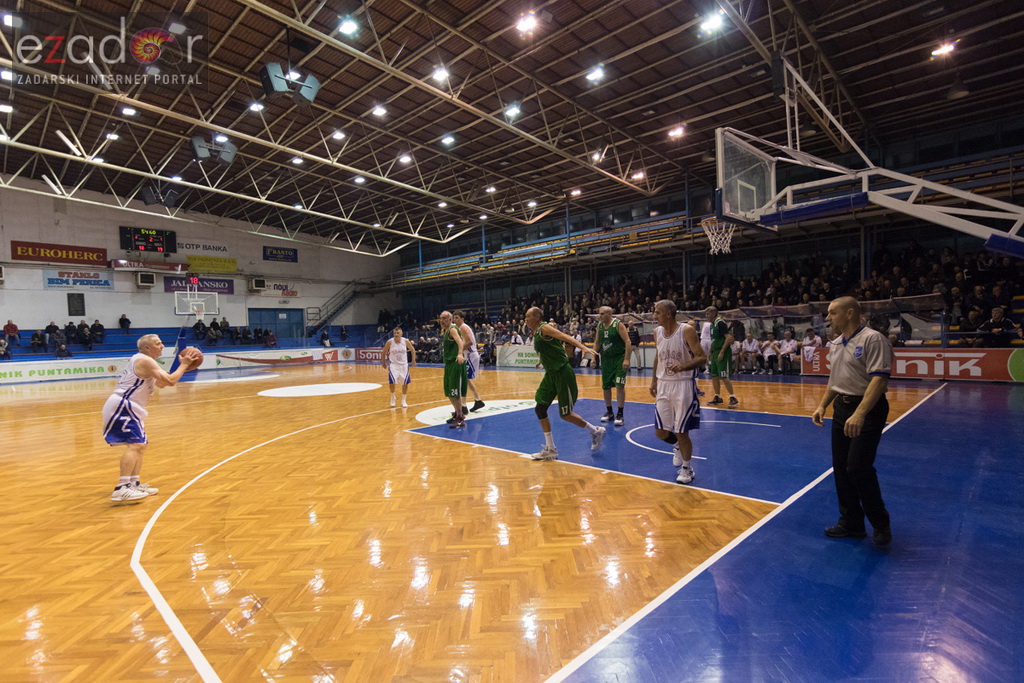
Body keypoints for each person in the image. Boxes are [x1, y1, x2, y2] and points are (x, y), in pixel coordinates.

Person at [812, 296, 893, 546]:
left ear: (850, 313)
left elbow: (879, 380)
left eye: (832, 313)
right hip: (841, 408)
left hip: (867, 409)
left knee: (858, 467)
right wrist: (822, 405)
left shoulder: (873, 338)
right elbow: (835, 381)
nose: (828, 318)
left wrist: (860, 413)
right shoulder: (836, 343)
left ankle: (880, 525)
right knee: (841, 468)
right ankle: (852, 523)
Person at [102, 335, 201, 502]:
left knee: (141, 446)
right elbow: (169, 381)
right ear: (147, 348)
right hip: (123, 405)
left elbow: (162, 384)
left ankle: (134, 483)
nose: (162, 346)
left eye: (162, 342)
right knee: (135, 444)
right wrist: (183, 364)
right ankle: (122, 487)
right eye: (158, 343)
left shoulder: (147, 361)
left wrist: (185, 368)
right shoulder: (144, 360)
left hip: (132, 407)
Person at [525, 307, 605, 461]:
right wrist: (542, 360)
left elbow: (564, 337)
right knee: (540, 408)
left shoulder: (544, 328)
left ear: (537, 317)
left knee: (565, 414)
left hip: (562, 373)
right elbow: (551, 347)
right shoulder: (536, 332)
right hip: (551, 374)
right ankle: (551, 449)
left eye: (528, 316)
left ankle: (595, 431)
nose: (526, 319)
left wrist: (582, 347)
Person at [649, 299, 707, 484]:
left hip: (683, 384)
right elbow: (658, 356)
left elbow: (702, 358)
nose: (654, 316)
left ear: (668, 313)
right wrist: (654, 380)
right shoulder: (657, 331)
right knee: (660, 431)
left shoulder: (686, 330)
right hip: (664, 384)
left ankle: (687, 469)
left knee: (682, 432)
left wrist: (682, 367)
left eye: (657, 312)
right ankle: (677, 447)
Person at [593, 306, 632, 426]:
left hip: (619, 359)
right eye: (599, 313)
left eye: (602, 313)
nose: (600, 316)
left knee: (619, 385)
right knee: (606, 386)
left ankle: (620, 413)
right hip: (606, 360)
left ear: (609, 314)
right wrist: (593, 357)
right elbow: (597, 342)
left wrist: (626, 359)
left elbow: (628, 342)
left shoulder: (618, 325)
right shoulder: (599, 326)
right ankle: (609, 412)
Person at [439, 311, 468, 428]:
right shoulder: (446, 331)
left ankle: (461, 417)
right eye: (440, 318)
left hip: (456, 363)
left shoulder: (452, 329)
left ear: (450, 319)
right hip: (449, 363)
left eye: (444, 318)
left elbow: (460, 341)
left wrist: (460, 353)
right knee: (449, 390)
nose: (442, 320)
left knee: (455, 391)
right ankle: (456, 413)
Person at [453, 311, 486, 413]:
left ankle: (463, 406)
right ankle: (477, 400)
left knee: (463, 379)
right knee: (465, 380)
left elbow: (470, 342)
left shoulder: (463, 327)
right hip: (468, 355)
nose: (455, 319)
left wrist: (459, 351)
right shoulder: (459, 328)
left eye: (457, 317)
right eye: (454, 318)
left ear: (462, 318)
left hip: (471, 355)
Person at [706, 307, 739, 406]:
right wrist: (711, 352)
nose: (706, 315)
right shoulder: (712, 325)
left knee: (724, 375)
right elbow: (714, 340)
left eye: (708, 313)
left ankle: (733, 397)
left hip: (722, 351)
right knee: (714, 375)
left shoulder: (720, 323)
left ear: (713, 313)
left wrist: (722, 351)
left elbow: (728, 338)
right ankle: (717, 396)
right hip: (715, 351)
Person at [382, 327, 417, 407]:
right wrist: (383, 362)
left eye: (398, 333)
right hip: (394, 365)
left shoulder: (405, 341)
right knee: (392, 381)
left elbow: (412, 350)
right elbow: (384, 352)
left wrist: (413, 360)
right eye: (395, 333)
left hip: (404, 365)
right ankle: (392, 397)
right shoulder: (390, 342)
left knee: (405, 382)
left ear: (401, 334)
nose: (396, 334)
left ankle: (403, 400)